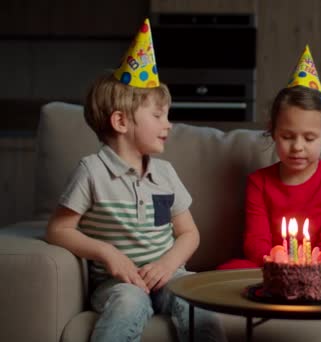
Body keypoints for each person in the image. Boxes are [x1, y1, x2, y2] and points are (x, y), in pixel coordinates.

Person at [45, 18, 225, 342]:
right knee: (129, 302)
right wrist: (108, 254)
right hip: (119, 286)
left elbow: (189, 233)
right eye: (158, 115)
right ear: (121, 121)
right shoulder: (91, 171)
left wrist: (169, 265)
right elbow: (58, 230)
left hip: (170, 276)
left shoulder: (165, 174)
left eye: (167, 115)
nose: (168, 124)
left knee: (198, 303)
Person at [218, 45, 321, 270]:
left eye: (309, 138)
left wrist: (308, 266)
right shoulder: (259, 183)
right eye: (288, 136)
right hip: (271, 265)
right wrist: (280, 263)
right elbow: (255, 242)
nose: (297, 147)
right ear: (273, 131)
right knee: (229, 271)